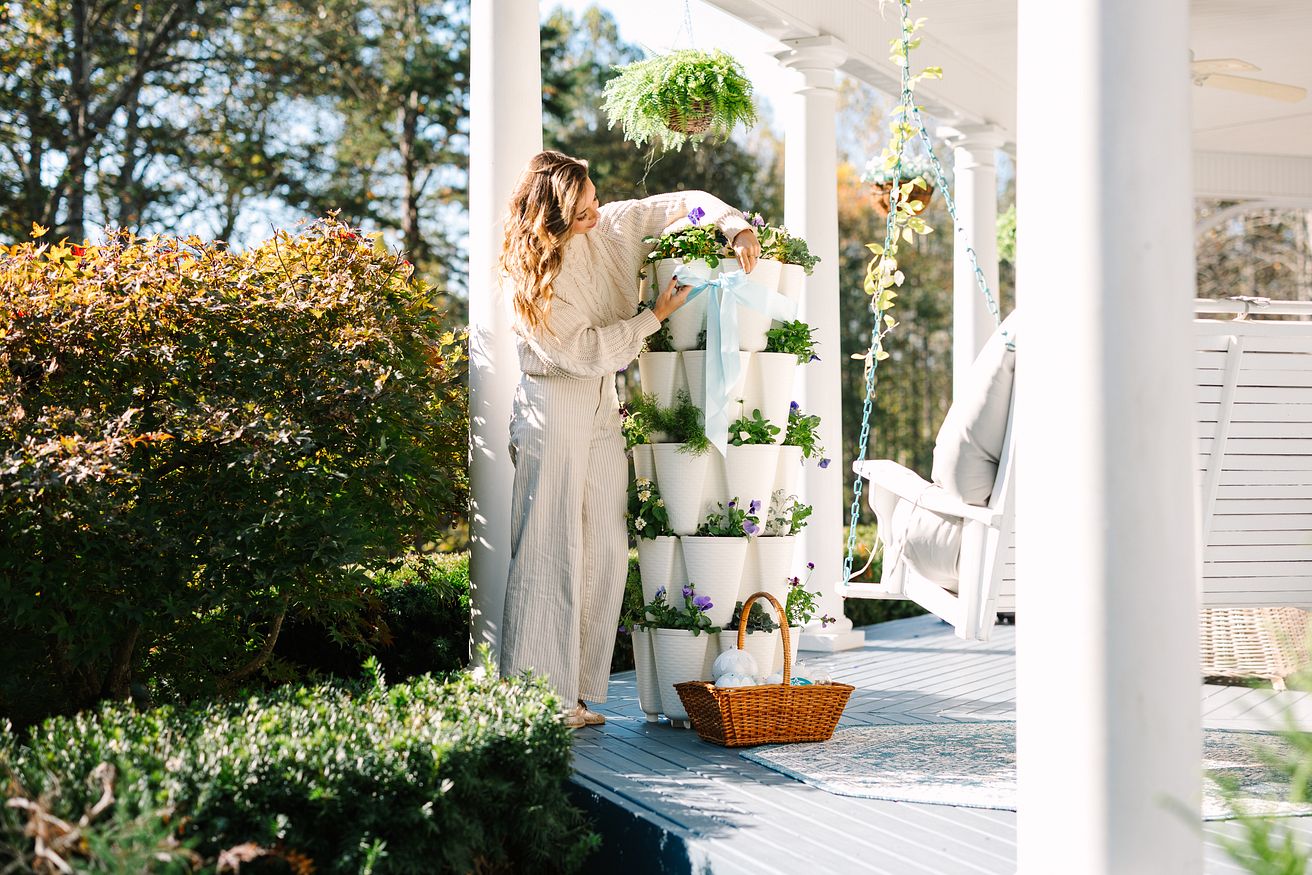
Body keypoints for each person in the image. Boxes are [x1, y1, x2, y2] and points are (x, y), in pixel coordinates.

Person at [497, 150, 760, 728]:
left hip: (598, 402)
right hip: (554, 401)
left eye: (594, 201)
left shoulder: (611, 226)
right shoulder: (532, 275)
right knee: (549, 543)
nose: (596, 213)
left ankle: (580, 693)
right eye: (584, 208)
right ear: (554, 214)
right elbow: (579, 352)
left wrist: (734, 223)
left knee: (605, 545)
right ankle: (536, 699)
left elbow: (678, 203)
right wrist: (654, 316)